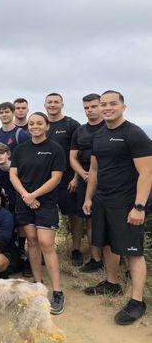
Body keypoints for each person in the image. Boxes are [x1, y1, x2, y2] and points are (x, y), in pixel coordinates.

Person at [83, 90, 152, 325]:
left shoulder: (134, 133)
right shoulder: (99, 134)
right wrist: (88, 197)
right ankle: (112, 284)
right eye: (104, 104)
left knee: (133, 252)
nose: (107, 107)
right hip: (102, 200)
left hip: (127, 203)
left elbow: (147, 172)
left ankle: (137, 301)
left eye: (113, 103)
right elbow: (94, 170)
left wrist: (139, 206)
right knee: (107, 244)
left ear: (123, 106)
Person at [10, 112, 66, 315]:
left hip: (46, 202)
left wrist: (34, 195)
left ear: (47, 126)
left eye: (39, 123)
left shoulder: (55, 149)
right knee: (31, 241)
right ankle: (38, 285)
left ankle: (57, 291)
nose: (34, 126)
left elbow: (56, 178)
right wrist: (26, 196)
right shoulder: (20, 149)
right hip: (24, 201)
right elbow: (13, 174)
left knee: (46, 244)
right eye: (31, 123)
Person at [44, 93, 82, 265]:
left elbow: (79, 154)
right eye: (49, 102)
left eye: (56, 102)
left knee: (74, 215)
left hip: (68, 181)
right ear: (45, 105)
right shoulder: (41, 124)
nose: (52, 105)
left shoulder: (71, 124)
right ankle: (47, 251)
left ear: (62, 104)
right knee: (46, 217)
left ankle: (76, 250)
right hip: (46, 182)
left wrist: (76, 177)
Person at [69, 93, 105, 273]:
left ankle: (114, 257)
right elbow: (73, 158)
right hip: (84, 178)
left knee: (108, 219)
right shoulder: (80, 131)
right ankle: (95, 258)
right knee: (89, 219)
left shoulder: (109, 127)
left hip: (108, 179)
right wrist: (81, 174)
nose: (90, 110)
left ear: (101, 106)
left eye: (93, 106)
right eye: (86, 108)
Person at [0, 142, 27, 275]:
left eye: (1, 153)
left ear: (8, 154)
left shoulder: (19, 167)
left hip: (26, 201)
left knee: (24, 228)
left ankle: (23, 252)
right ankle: (15, 255)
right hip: (10, 204)